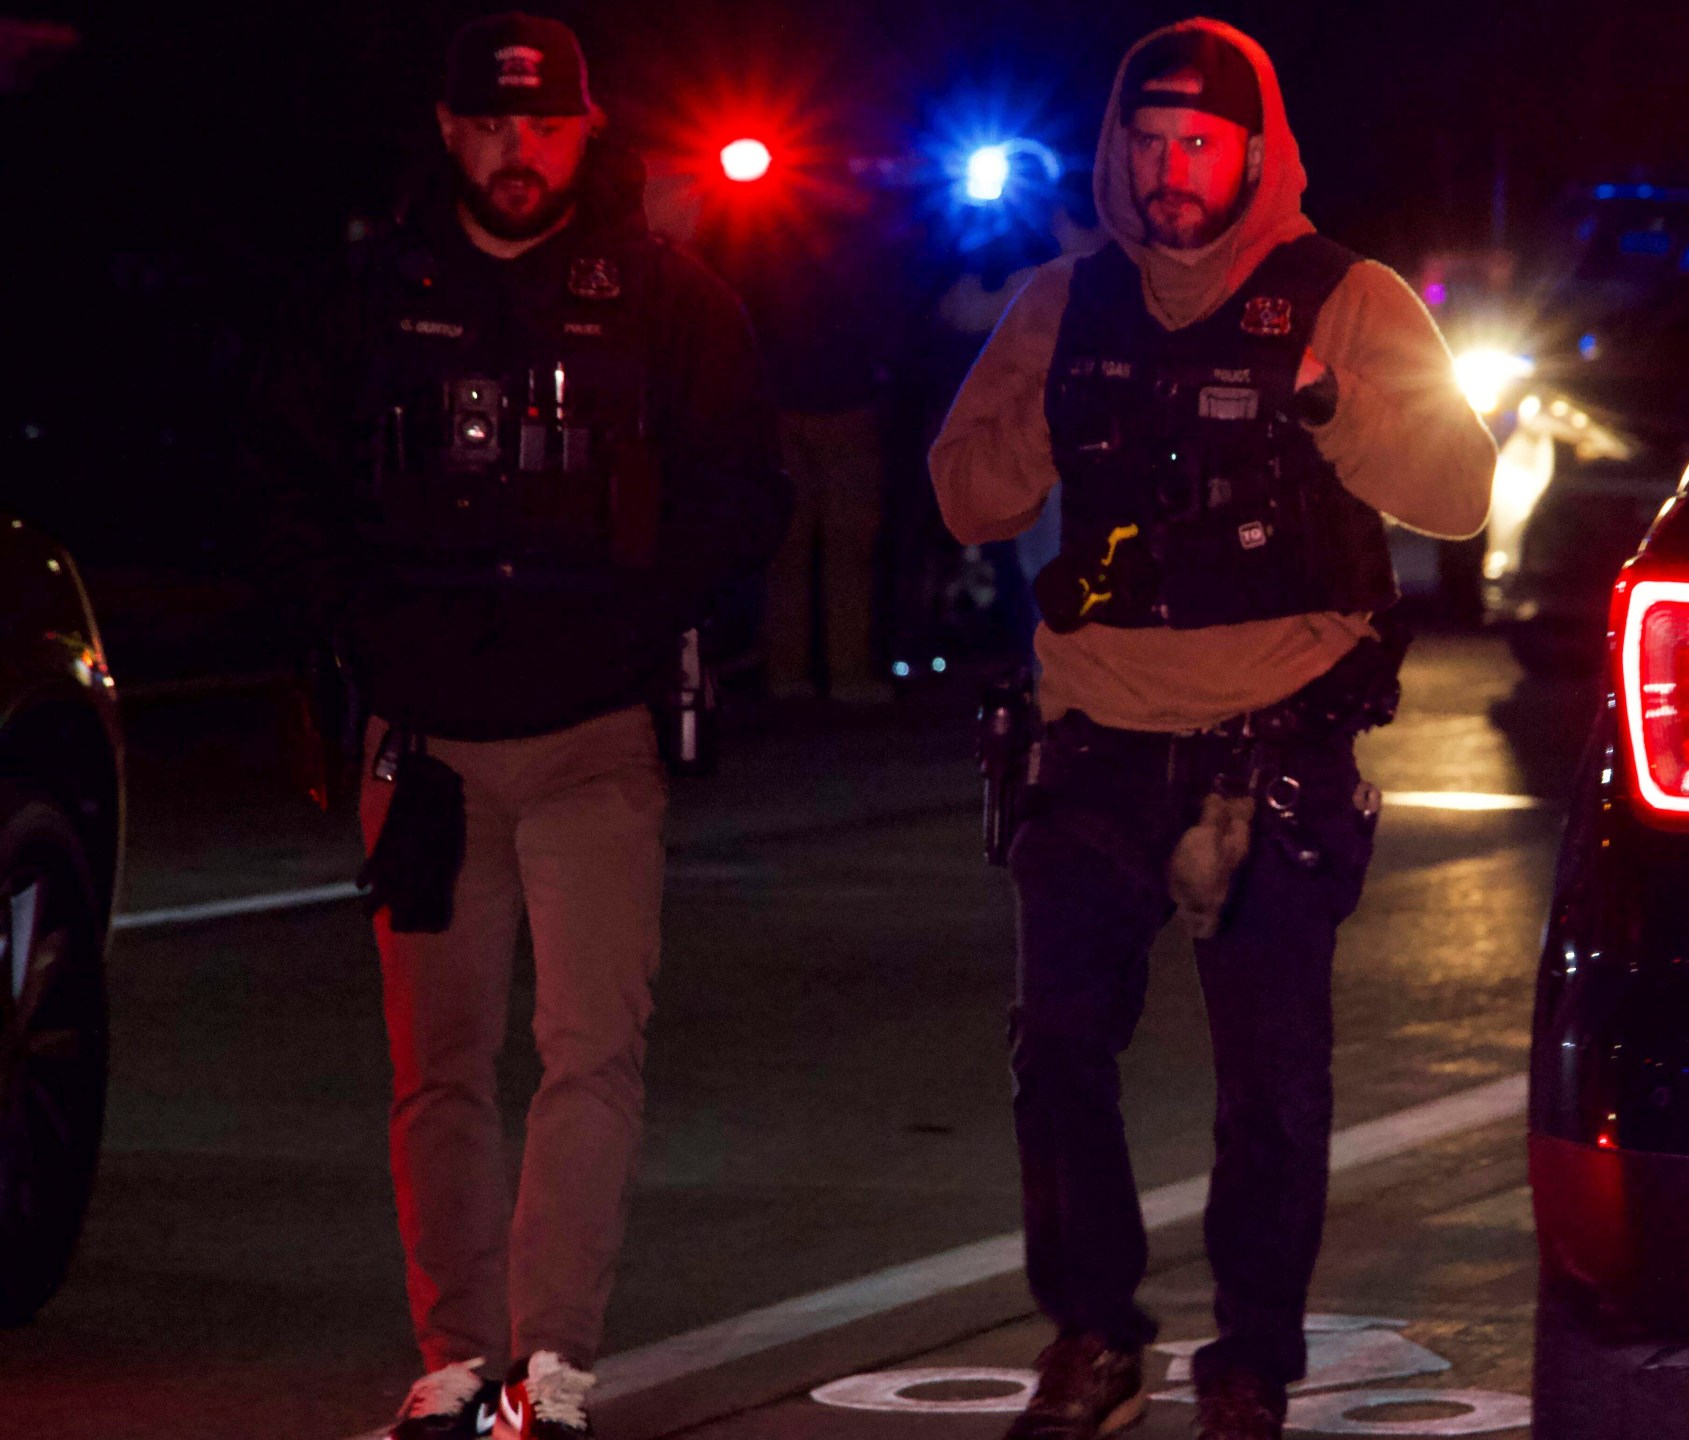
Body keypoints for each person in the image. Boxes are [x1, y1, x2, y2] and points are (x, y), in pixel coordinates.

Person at [929, 19, 1496, 1440]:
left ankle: (1250, 1356)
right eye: (1148, 141)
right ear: (1118, 152)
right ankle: (1093, 1334)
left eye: (1198, 142)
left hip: (1271, 751)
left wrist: (1331, 403)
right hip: (1096, 735)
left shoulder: (1344, 295)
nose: (1171, 168)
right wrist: (1046, 415)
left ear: (1255, 152)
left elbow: (1463, 490)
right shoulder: (1066, 300)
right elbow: (968, 494)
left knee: (1274, 1086)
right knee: (1055, 1046)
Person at [251, 15, 790, 1439]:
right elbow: (284, 483)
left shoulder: (661, 299)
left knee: (589, 1048)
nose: (516, 150)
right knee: (435, 1059)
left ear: (583, 130)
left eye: (542, 123)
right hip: (415, 737)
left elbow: (748, 489)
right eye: (490, 123)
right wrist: (357, 629)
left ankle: (549, 1367)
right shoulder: (372, 295)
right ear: (447, 129)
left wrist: (644, 608)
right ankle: (454, 1355)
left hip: (592, 729)